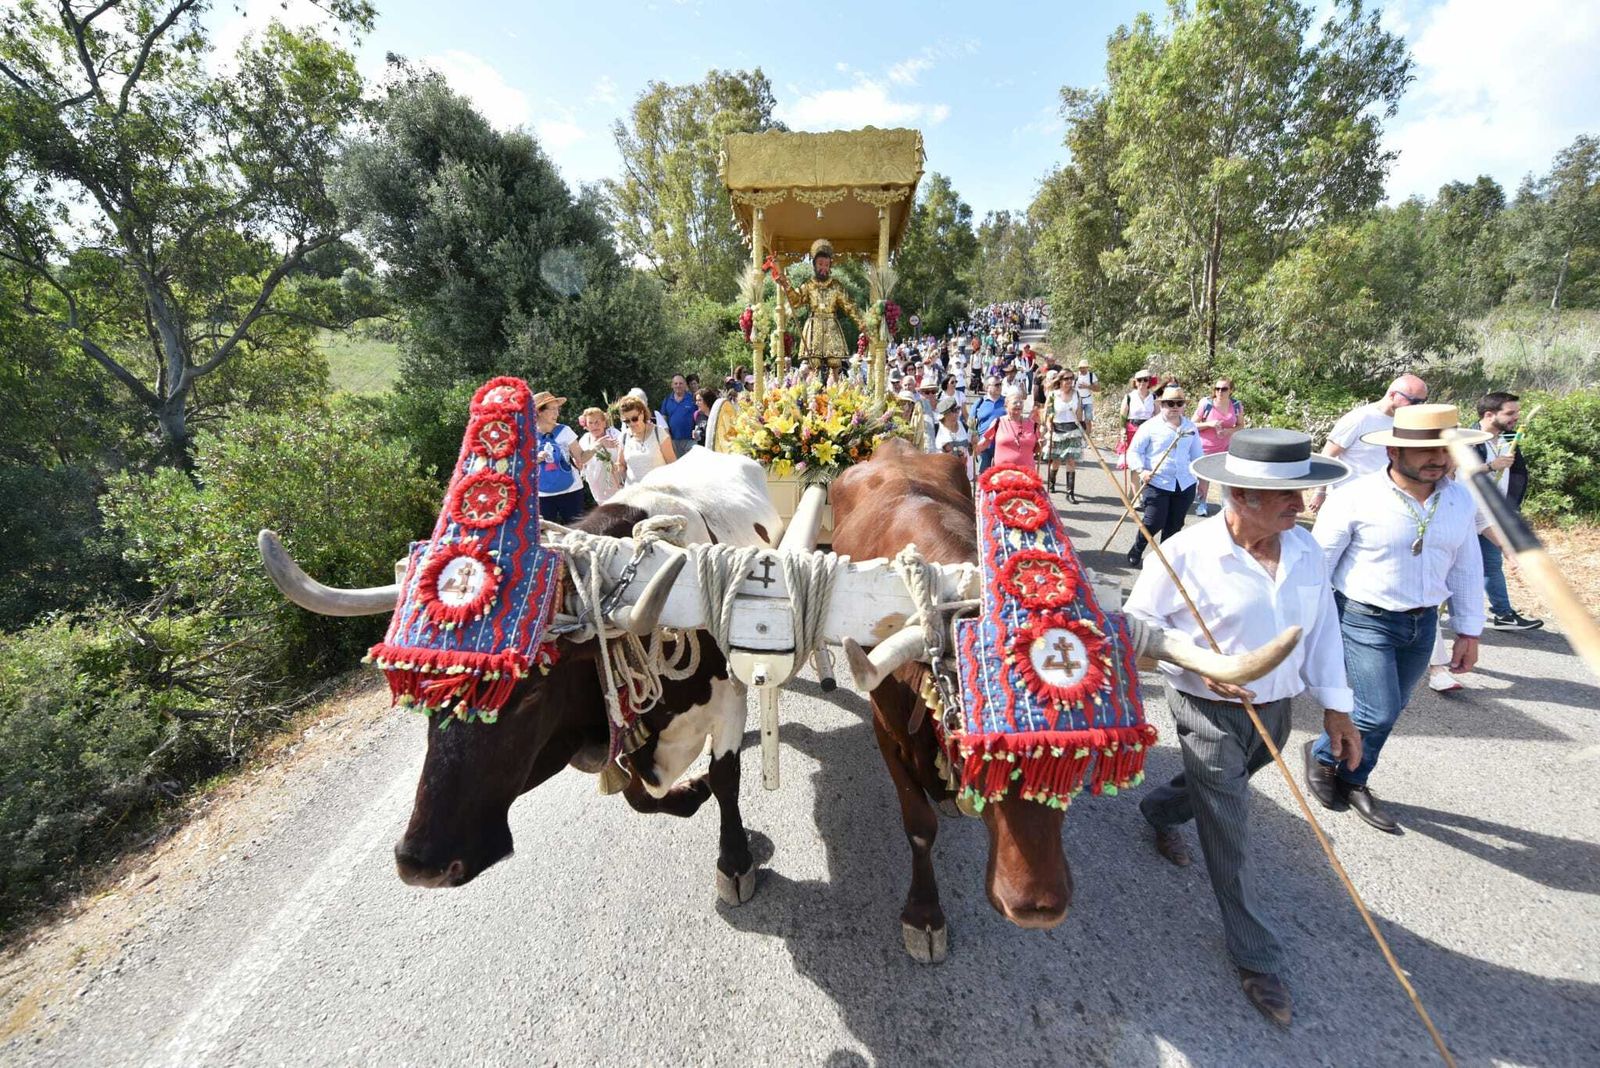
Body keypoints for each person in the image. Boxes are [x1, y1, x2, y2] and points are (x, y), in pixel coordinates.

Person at [1128, 429, 1361, 1028]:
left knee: (1222, 788)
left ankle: (1160, 809)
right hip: (1205, 707)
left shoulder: (1304, 551)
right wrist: (1199, 663)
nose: (1302, 504)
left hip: (1277, 711)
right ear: (1240, 495)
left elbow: (1323, 634)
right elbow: (1136, 630)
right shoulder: (1181, 554)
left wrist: (1337, 710)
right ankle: (1256, 956)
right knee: (1229, 823)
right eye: (1287, 494)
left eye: (1302, 492)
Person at [1304, 404, 1490, 833]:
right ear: (1392, 450)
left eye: (1444, 451)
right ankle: (1321, 755)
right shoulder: (1354, 495)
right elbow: (1317, 566)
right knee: (1377, 711)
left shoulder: (1459, 497)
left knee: (1395, 707)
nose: (1438, 460)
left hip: (1424, 623)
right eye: (1426, 451)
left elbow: (1466, 564)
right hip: (1363, 618)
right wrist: (1308, 631)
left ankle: (1354, 779)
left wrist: (1468, 630)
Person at [1472, 391, 1543, 631]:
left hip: (1491, 515)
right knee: (1452, 568)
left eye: (1517, 413)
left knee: (1492, 564)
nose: (1515, 417)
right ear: (1489, 414)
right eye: (1510, 413)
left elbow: (1518, 474)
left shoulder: (1508, 439)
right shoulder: (1468, 439)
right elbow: (1457, 475)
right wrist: (1490, 466)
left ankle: (1503, 614)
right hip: (1468, 516)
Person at [1309, 374, 1428, 513]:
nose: (1417, 407)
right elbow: (1328, 455)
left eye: (1422, 402)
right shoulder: (1360, 418)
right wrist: (1320, 492)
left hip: (1389, 500)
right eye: (1413, 401)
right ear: (1392, 395)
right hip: (1350, 500)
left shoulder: (1409, 422)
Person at [1126, 387, 1203, 567]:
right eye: (1170, 403)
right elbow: (1134, 452)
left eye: (1179, 403)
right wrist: (1141, 470)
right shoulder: (1150, 426)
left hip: (1184, 483)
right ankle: (1138, 548)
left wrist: (1202, 481)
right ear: (1162, 405)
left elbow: (1197, 456)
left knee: (1175, 525)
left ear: (1184, 406)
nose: (1175, 407)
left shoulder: (1190, 427)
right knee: (1154, 522)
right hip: (1157, 481)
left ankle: (1163, 560)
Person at [530, 391, 586, 523]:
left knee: (577, 531)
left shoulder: (565, 430)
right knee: (544, 534)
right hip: (542, 494)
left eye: (557, 409)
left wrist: (598, 446)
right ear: (539, 411)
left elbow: (581, 458)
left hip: (572, 491)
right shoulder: (528, 436)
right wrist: (534, 459)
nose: (557, 413)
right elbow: (521, 465)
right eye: (552, 409)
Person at [1193, 378, 1244, 517]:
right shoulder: (1206, 404)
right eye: (1217, 389)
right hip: (1206, 446)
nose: (1220, 392)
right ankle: (1202, 504)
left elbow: (1240, 426)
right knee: (1204, 478)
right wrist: (1209, 424)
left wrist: (1228, 431)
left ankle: (1226, 506)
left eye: (1224, 389)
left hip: (1227, 446)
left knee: (1226, 477)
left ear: (1231, 390)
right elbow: (1192, 425)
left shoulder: (1237, 405)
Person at [1039, 369, 1086, 503]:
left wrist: (1082, 429)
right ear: (1060, 380)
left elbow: (1079, 414)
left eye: (1071, 378)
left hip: (1072, 430)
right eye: (1066, 379)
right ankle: (1052, 481)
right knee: (1057, 460)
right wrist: (1049, 426)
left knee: (1071, 461)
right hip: (1057, 430)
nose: (1069, 381)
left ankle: (1070, 493)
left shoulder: (1077, 394)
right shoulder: (1053, 395)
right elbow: (1047, 415)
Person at [616, 394, 675, 485]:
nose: (631, 423)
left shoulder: (659, 433)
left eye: (634, 419)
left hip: (658, 491)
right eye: (626, 421)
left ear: (642, 414)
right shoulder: (623, 437)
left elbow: (672, 465)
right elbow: (621, 464)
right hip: (633, 492)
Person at [977, 390, 1038, 470]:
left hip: (1026, 474)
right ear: (1006, 405)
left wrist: (1042, 443)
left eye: (1021, 402)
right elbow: (984, 444)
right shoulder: (998, 423)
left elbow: (1036, 449)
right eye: (1015, 402)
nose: (1019, 404)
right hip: (1002, 473)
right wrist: (973, 447)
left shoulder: (1032, 425)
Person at [1116, 371, 1159, 482]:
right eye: (1139, 380)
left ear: (1149, 381)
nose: (1142, 382)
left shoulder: (1154, 397)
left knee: (1147, 461)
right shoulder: (1129, 397)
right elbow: (1122, 416)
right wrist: (1123, 432)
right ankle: (1135, 494)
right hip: (1132, 430)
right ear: (1135, 382)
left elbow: (1158, 416)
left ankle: (1141, 491)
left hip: (1149, 431)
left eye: (1145, 379)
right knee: (1134, 462)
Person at [574, 406, 622, 506]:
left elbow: (625, 454)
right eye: (590, 423)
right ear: (586, 425)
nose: (594, 426)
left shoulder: (615, 434)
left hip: (617, 481)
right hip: (597, 483)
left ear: (604, 422)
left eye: (597, 422)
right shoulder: (585, 439)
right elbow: (581, 460)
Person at [971, 375, 1007, 475]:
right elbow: (971, 424)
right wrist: (973, 443)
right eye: (996, 385)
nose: (999, 387)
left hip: (1002, 445)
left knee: (1000, 475)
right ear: (987, 387)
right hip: (984, 446)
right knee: (984, 475)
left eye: (1000, 384)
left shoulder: (1007, 402)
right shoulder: (979, 404)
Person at [660, 373, 697, 457]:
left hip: (690, 441)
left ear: (685, 385)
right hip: (673, 441)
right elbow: (663, 420)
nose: (678, 385)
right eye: (675, 383)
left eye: (681, 383)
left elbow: (699, 416)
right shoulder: (667, 400)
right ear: (672, 385)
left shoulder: (693, 399)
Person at [934, 396, 972, 474]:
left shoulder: (964, 427)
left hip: (964, 475)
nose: (957, 413)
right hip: (944, 474)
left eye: (958, 409)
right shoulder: (936, 428)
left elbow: (971, 451)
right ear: (945, 414)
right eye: (954, 411)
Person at [1074, 358, 1101, 439]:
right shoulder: (1076, 376)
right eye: (1081, 368)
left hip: (1088, 400)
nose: (1082, 369)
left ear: (1087, 367)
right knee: (1078, 420)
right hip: (1078, 400)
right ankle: (1079, 437)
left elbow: (1098, 388)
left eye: (1084, 367)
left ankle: (1088, 438)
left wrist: (1087, 386)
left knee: (1088, 420)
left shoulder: (1091, 375)